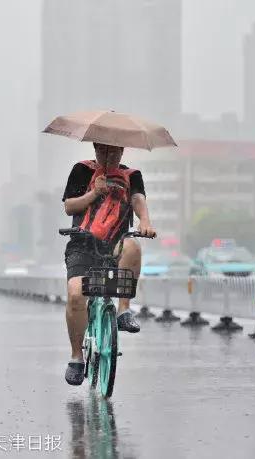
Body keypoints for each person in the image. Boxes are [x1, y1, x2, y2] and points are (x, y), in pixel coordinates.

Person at [62, 142, 157, 385]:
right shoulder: (82, 170)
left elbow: (138, 200)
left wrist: (144, 221)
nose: (108, 155)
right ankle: (76, 357)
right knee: (75, 295)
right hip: (82, 245)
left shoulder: (131, 175)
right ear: (95, 149)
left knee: (133, 246)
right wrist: (95, 192)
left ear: (122, 151)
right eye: (103, 151)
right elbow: (69, 206)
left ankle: (123, 311)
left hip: (114, 243)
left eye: (113, 151)